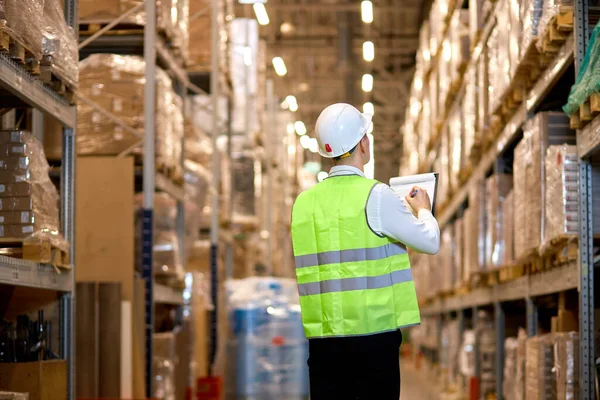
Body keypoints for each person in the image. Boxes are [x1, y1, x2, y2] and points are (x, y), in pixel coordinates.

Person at [290, 103, 440, 399]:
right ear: (363, 143)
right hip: (373, 346)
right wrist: (422, 210)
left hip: (323, 347)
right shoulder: (377, 195)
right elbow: (429, 242)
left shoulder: (302, 204)